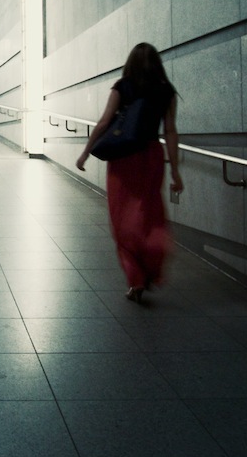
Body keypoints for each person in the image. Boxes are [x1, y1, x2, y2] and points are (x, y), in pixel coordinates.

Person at [76, 42, 183, 304]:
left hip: (124, 158)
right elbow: (170, 130)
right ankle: (152, 261)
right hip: (151, 156)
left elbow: (104, 121)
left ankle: (135, 276)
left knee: (123, 216)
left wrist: (86, 152)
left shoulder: (123, 86)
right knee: (149, 211)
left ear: (130, 63)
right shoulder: (166, 90)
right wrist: (176, 172)